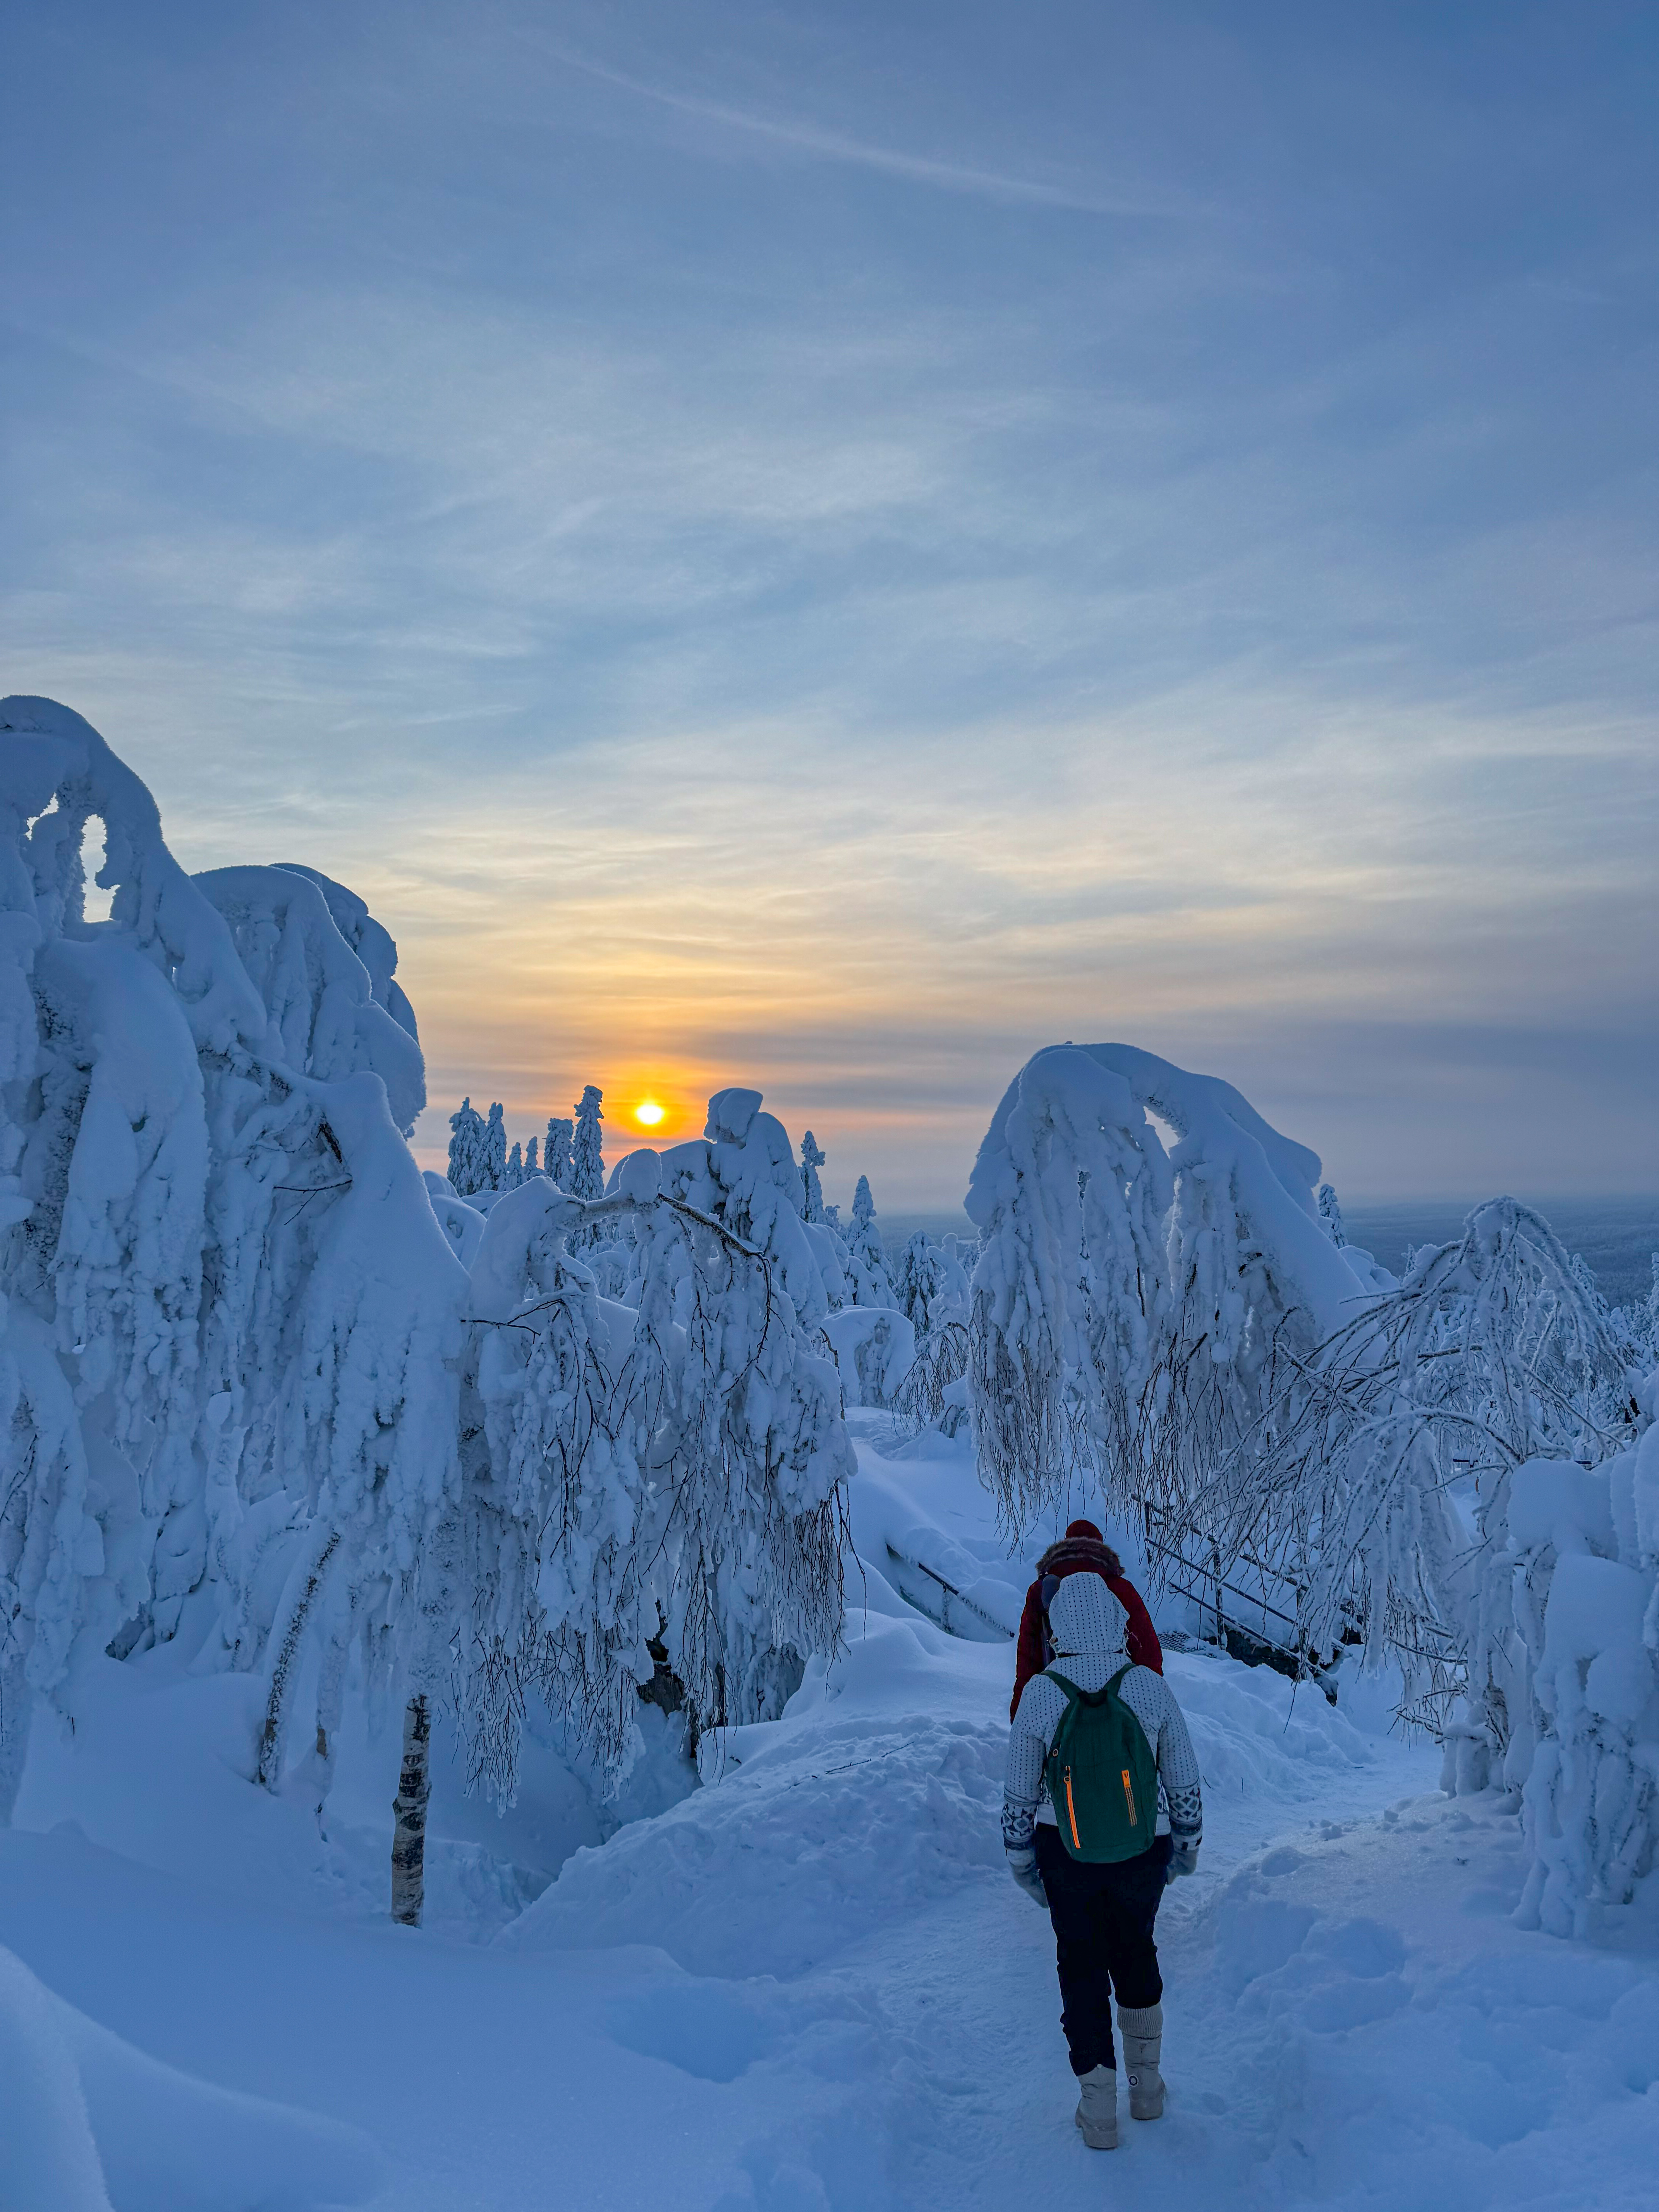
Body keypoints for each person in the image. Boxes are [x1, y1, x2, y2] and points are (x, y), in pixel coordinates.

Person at [1002, 1571, 1202, 2150]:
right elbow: (1184, 1779)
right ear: (1117, 1620)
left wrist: (1023, 1864)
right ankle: (1146, 2090)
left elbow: (1018, 1793)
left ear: (1060, 1626)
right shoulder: (1147, 1685)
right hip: (1145, 1847)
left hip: (1063, 1850)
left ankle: (1098, 2111)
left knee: (1081, 1965)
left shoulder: (1041, 1691)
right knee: (1136, 1949)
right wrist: (1185, 1848)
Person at [1009, 1519, 1161, 1722]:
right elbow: (1147, 1649)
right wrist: (1153, 1698)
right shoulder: (1120, 1588)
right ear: (1101, 1548)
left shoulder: (1042, 1590)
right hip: (1117, 1698)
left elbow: (1028, 1656)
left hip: (1057, 1697)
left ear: (1065, 1545)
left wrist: (1020, 1711)